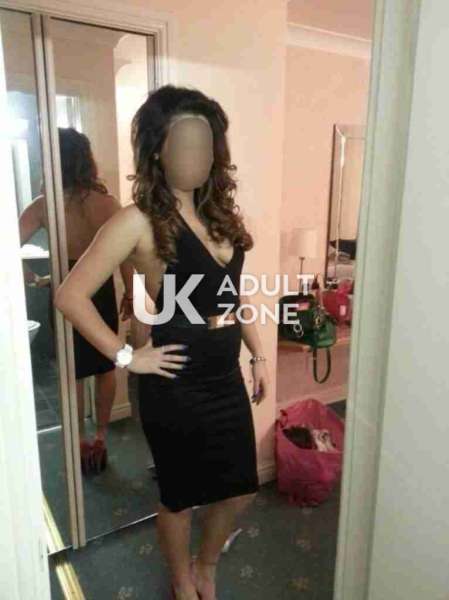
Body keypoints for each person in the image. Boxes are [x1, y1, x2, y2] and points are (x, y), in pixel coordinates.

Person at [54, 85, 269, 600]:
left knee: (241, 487)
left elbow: (234, 293)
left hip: (225, 374)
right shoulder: (138, 220)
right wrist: (128, 356)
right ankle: (182, 577)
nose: (199, 156)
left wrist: (258, 353)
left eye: (206, 144)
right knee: (180, 495)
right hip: (175, 380)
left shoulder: (219, 214)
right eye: (185, 144)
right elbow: (71, 296)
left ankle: (206, 562)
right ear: (157, 151)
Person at [19, 127, 134, 474]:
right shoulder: (107, 204)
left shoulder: (44, 205)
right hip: (99, 291)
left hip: (67, 290)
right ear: (85, 159)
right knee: (105, 366)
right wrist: (130, 292)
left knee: (72, 372)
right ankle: (100, 436)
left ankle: (78, 438)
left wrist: (28, 275)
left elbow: (6, 243)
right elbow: (126, 254)